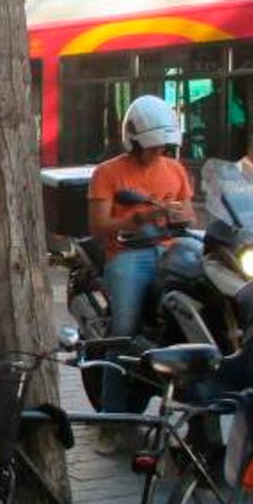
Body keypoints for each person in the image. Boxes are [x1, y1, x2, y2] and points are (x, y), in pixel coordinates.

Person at [88, 95, 194, 443]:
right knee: (124, 331)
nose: (157, 152)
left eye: (162, 146)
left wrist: (178, 215)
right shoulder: (108, 173)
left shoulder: (175, 170)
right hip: (128, 254)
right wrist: (142, 217)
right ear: (133, 142)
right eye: (151, 146)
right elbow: (98, 227)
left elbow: (190, 214)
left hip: (170, 250)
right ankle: (111, 419)